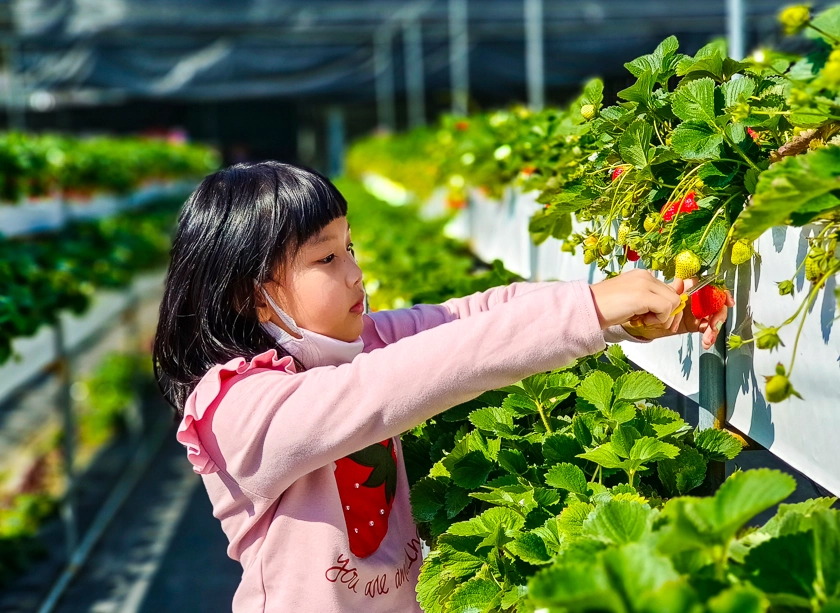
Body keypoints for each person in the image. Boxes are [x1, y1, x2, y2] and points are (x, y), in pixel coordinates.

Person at [151, 161, 731, 612]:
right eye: (326, 258)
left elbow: (472, 315)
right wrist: (584, 311)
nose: (355, 272)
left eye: (349, 247)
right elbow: (394, 382)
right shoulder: (237, 410)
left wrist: (607, 311)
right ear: (250, 295)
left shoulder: (361, 339)